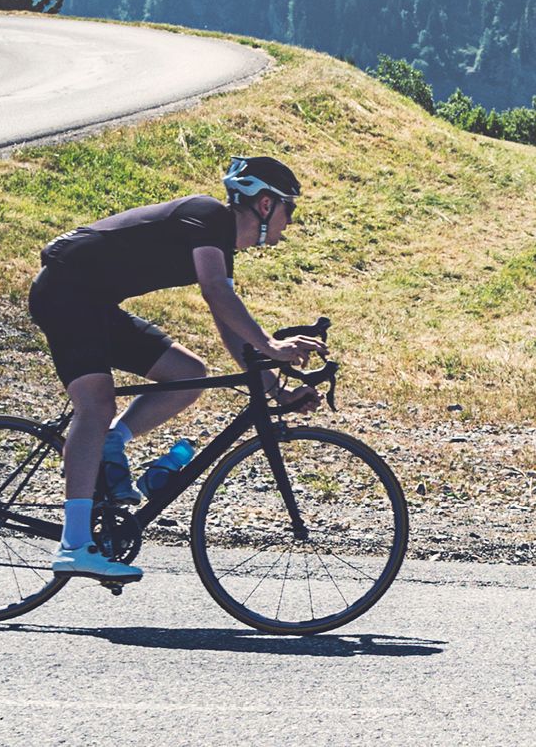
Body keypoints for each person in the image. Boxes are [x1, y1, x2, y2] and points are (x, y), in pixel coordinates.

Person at [28, 155, 327, 581]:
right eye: (289, 209)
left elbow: (228, 323)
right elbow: (216, 294)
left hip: (91, 301)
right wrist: (271, 344)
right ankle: (74, 544)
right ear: (265, 204)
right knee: (95, 403)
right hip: (64, 291)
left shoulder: (218, 245)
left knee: (187, 374)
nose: (290, 221)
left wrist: (277, 392)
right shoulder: (207, 216)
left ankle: (110, 444)